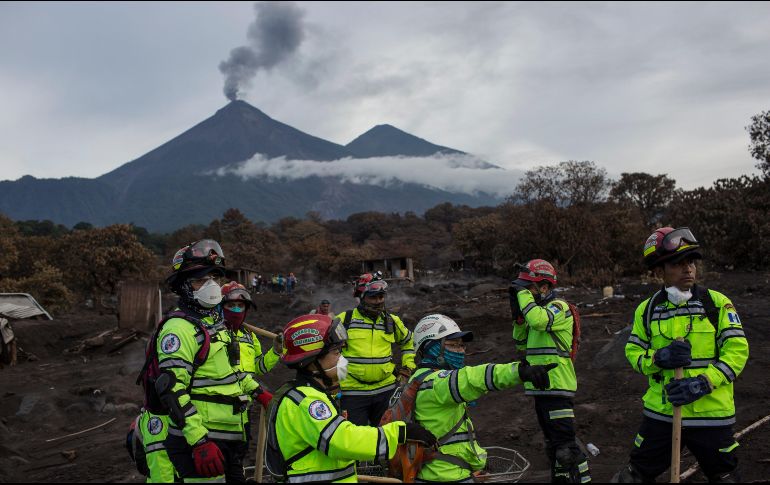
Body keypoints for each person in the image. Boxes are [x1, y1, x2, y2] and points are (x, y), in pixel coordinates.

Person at [613, 227, 749, 483]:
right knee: (633, 477)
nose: (689, 269)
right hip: (661, 414)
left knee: (725, 477)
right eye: (678, 263)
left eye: (691, 262)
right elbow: (633, 353)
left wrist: (703, 382)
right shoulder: (647, 309)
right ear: (658, 271)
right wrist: (658, 358)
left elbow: (737, 352)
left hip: (711, 416)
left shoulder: (717, 304)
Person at [265, 313, 436, 483]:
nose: (342, 359)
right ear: (312, 361)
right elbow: (342, 441)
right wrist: (399, 432)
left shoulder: (311, 394)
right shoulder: (307, 401)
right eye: (336, 352)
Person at [156, 240, 266, 483]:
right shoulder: (179, 329)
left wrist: (260, 393)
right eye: (200, 280)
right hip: (202, 443)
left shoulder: (216, 324)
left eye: (215, 279)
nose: (211, 286)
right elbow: (172, 389)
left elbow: (231, 373)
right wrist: (199, 442)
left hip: (230, 438)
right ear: (183, 286)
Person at [408, 313, 558, 482]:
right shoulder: (435, 382)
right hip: (445, 476)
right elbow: (473, 378)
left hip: (437, 472)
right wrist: (519, 372)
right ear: (432, 348)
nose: (461, 351)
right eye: (453, 345)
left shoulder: (418, 379)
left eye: (462, 346)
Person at [510, 259, 591, 483]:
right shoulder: (534, 313)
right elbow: (520, 344)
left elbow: (538, 321)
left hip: (557, 387)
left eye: (529, 288)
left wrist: (523, 296)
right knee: (553, 446)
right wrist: (518, 319)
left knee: (567, 448)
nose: (524, 293)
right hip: (541, 388)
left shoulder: (559, 307)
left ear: (544, 287)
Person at [335, 279, 416, 426]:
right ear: (361, 298)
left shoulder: (391, 321)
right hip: (352, 392)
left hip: (386, 391)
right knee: (356, 440)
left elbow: (409, 341)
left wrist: (408, 366)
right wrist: (334, 380)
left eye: (381, 297)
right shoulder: (345, 319)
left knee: (388, 437)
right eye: (372, 297)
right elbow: (328, 349)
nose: (378, 301)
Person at [220, 282, 281, 454]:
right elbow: (230, 370)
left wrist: (275, 351)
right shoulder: (215, 335)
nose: (236, 310)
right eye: (231, 305)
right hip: (220, 407)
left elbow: (258, 367)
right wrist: (259, 392)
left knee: (239, 454)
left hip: (243, 408)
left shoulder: (249, 335)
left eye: (240, 306)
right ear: (220, 307)